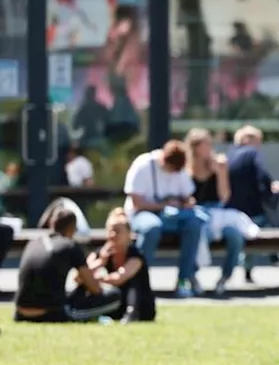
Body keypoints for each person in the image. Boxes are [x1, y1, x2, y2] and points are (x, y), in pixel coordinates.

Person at [122, 140, 207, 298]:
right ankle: (140, 282)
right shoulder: (143, 165)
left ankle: (184, 279)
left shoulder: (180, 170)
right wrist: (163, 205)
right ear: (163, 161)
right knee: (151, 228)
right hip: (143, 214)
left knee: (194, 224)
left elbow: (189, 197)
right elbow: (137, 203)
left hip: (173, 217)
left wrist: (185, 204)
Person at [14, 208, 120, 323]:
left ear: (51, 223)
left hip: (21, 312)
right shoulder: (70, 246)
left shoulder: (34, 243)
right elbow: (94, 288)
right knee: (114, 296)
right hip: (51, 313)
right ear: (72, 228)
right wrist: (101, 265)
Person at [187, 128, 251, 296]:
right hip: (196, 214)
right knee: (195, 235)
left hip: (218, 213)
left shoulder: (219, 163)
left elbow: (224, 197)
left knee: (235, 236)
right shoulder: (186, 169)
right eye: (205, 144)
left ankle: (224, 278)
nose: (209, 147)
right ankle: (192, 278)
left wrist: (220, 172)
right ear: (195, 147)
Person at [226, 125, 279, 279]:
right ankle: (276, 253)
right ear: (247, 139)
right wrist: (271, 191)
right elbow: (262, 174)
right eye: (258, 140)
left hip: (232, 210)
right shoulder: (252, 153)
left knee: (250, 231)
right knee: (270, 221)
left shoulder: (229, 155)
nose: (260, 145)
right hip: (252, 208)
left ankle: (248, 268)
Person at [85, 209, 155, 322]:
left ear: (128, 234)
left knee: (133, 282)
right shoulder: (100, 253)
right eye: (110, 231)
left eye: (117, 231)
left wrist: (95, 280)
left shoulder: (136, 255)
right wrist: (100, 263)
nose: (113, 235)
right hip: (114, 303)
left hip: (141, 308)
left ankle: (131, 314)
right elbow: (81, 275)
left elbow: (120, 278)